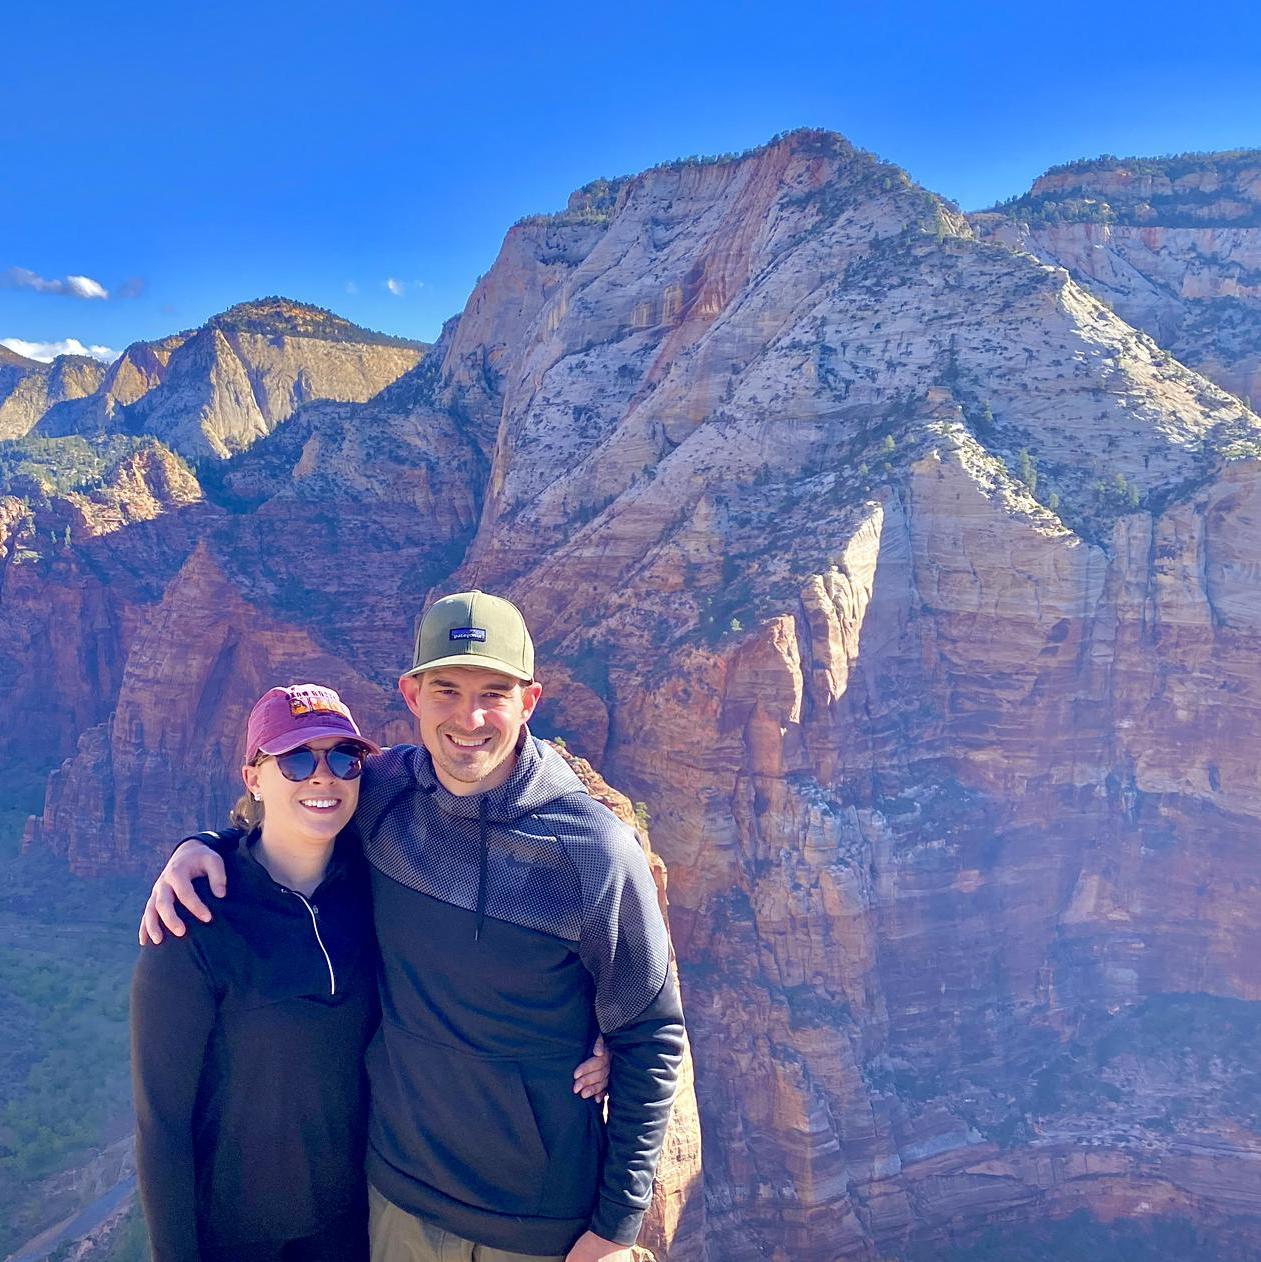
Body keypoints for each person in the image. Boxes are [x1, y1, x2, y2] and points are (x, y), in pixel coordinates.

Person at [143, 591, 685, 1262]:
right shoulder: (381, 792)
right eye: (447, 689)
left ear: (530, 701)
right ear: (410, 694)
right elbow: (295, 812)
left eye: (493, 693)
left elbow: (651, 1033)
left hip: (541, 1220)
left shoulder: (593, 852)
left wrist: (616, 1228)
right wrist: (203, 847)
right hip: (397, 1204)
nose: (469, 718)